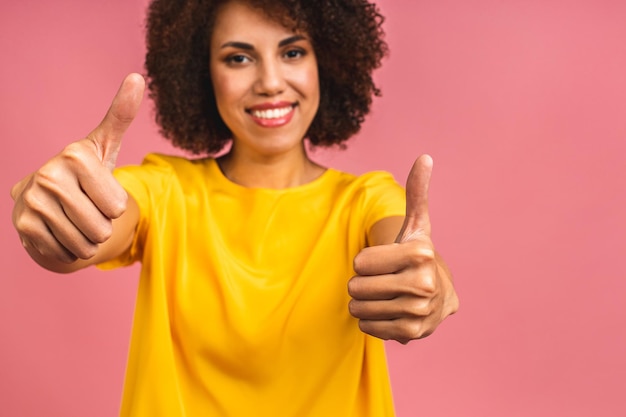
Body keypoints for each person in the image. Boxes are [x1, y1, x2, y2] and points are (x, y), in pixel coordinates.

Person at [10, 0, 459, 415]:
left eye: (293, 52)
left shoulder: (366, 201)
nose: (269, 82)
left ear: (328, 61)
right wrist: (58, 216)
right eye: (238, 58)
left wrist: (425, 281)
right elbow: (97, 227)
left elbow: (405, 247)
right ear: (202, 73)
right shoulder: (165, 190)